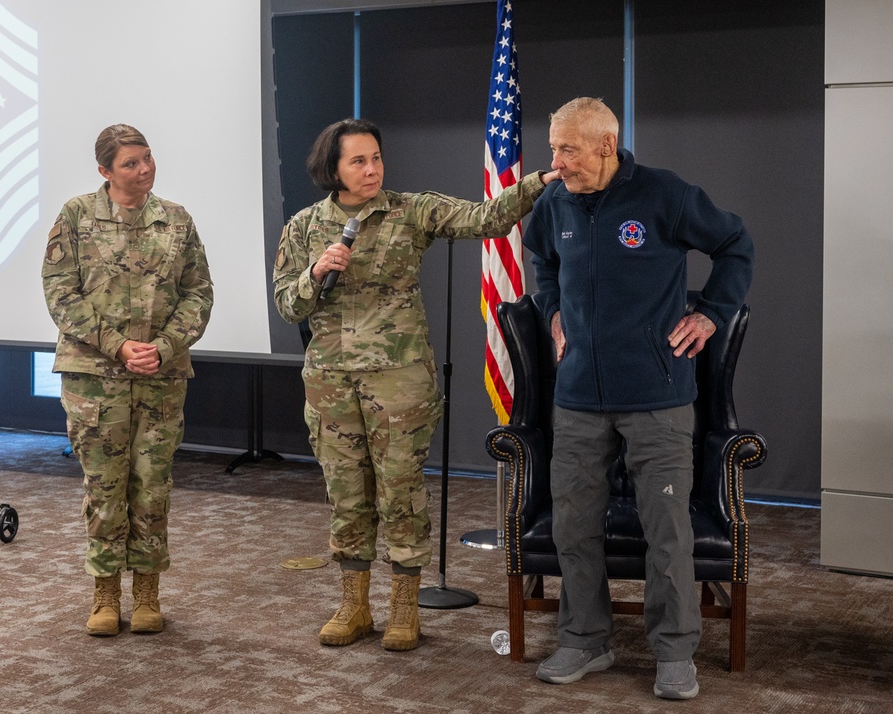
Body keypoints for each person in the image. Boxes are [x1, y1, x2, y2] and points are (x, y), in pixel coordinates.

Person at [273, 118, 559, 651]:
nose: (372, 168)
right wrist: (314, 272)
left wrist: (538, 181)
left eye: (376, 157)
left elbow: (487, 219)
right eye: (358, 161)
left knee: (401, 494)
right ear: (331, 168)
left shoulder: (411, 210)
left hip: (400, 384)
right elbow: (288, 304)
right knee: (347, 496)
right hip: (331, 386)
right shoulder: (303, 227)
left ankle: (405, 608)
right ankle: (354, 605)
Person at [521, 98, 754, 699]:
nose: (556, 162)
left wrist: (710, 313)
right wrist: (551, 310)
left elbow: (734, 243)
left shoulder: (663, 195)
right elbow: (540, 259)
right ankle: (583, 639)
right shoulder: (554, 203)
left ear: (605, 145)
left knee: (668, 532)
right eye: (553, 148)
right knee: (573, 524)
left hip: (657, 396)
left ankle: (674, 653)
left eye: (567, 149)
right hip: (576, 398)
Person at [41, 124, 214, 637]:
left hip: (161, 376)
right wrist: (116, 344)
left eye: (148, 158)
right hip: (95, 377)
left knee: (152, 485)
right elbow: (60, 293)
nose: (145, 169)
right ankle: (103, 595)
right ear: (105, 171)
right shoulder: (75, 217)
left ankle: (146, 595)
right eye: (131, 163)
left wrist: (163, 347)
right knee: (104, 487)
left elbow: (199, 292)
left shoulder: (176, 220)